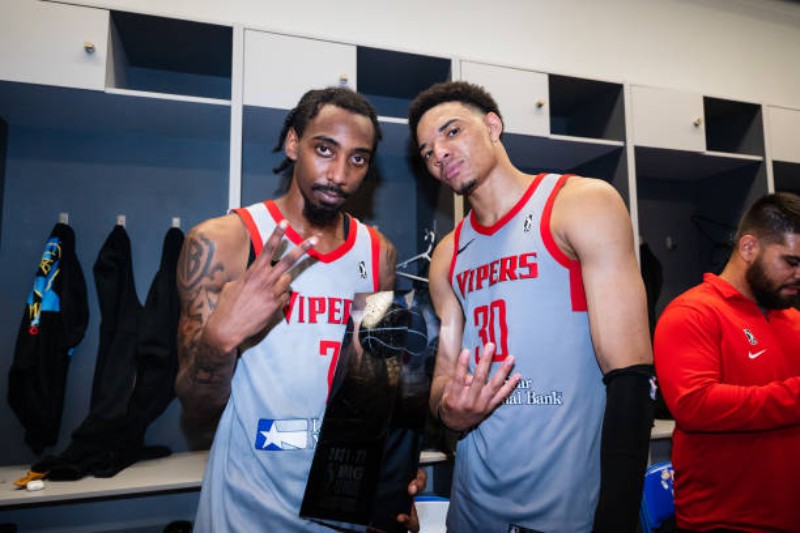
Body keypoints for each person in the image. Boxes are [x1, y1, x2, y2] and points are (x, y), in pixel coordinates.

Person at [407, 81, 655, 532]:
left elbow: (631, 376)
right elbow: (443, 379)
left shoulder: (578, 204)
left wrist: (616, 518)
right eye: (426, 152)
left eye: (452, 131)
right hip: (473, 508)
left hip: (566, 507)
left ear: (492, 126)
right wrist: (448, 410)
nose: (439, 153)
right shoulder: (447, 254)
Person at [176, 87, 424, 532]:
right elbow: (196, 410)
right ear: (293, 143)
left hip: (340, 507)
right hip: (244, 512)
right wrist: (219, 339)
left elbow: (371, 389)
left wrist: (388, 476)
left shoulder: (378, 254)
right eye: (325, 150)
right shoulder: (223, 242)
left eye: (358, 159)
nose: (339, 174)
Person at [654, 192, 800, 532]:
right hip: (725, 522)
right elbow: (695, 405)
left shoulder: (792, 319)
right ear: (749, 248)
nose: (799, 273)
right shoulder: (692, 313)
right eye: (791, 262)